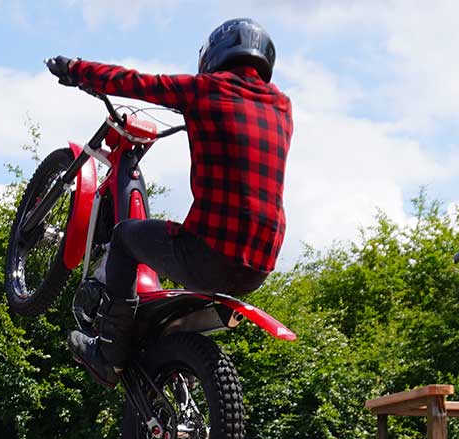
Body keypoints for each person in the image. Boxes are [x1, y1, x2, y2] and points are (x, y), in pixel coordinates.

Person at [45, 18, 293, 387]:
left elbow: (136, 83)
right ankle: (168, 350)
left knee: (126, 237)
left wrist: (76, 70)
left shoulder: (204, 90)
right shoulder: (283, 108)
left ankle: (108, 354)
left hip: (210, 255)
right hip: (259, 266)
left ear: (216, 54)